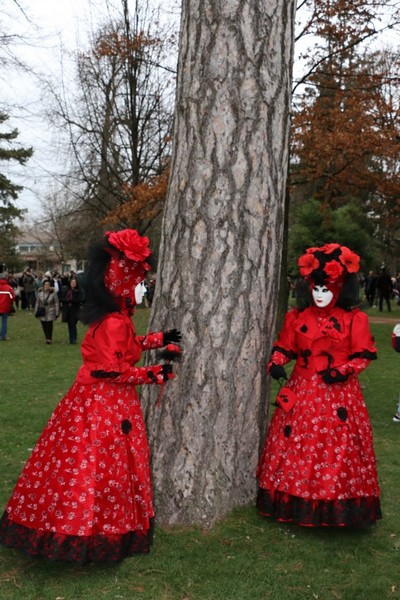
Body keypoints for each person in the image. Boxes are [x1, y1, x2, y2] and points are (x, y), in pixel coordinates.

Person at [0, 229, 181, 564]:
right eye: (138, 282)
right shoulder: (113, 321)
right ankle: (92, 529)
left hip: (99, 400)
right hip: (105, 403)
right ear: (121, 283)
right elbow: (112, 370)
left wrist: (158, 339)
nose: (142, 288)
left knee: (92, 465)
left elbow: (127, 347)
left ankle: (93, 524)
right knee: (99, 465)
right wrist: (154, 374)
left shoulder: (117, 318)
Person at [257, 243, 381, 527]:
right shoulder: (297, 317)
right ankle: (294, 502)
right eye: (316, 289)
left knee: (335, 450)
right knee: (296, 447)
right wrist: (276, 362)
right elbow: (285, 347)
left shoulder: (353, 320)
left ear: (339, 289)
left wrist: (342, 372)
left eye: (326, 290)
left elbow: (363, 356)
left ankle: (334, 505)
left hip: (338, 396)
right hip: (301, 391)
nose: (320, 295)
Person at [34, 279, 60, 344]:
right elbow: (37, 303)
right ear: (43, 286)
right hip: (42, 311)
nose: (47, 286)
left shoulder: (53, 293)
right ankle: (46, 337)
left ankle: (49, 338)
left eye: (48, 284)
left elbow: (57, 303)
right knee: (44, 325)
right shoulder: (40, 294)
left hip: (51, 311)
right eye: (45, 284)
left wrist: (57, 312)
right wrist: (36, 311)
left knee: (49, 325)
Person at [60, 277, 84, 344]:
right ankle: (71, 338)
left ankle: (74, 338)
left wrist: (72, 300)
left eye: (74, 283)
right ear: (70, 283)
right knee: (69, 324)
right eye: (72, 282)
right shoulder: (66, 290)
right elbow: (62, 298)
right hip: (67, 310)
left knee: (73, 324)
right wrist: (67, 300)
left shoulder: (79, 291)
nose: (73, 284)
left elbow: (80, 300)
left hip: (75, 310)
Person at [0, 272, 16, 340]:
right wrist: (10, 302)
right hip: (5, 307)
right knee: (4, 321)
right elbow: (12, 297)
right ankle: (3, 335)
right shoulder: (9, 288)